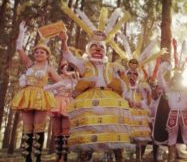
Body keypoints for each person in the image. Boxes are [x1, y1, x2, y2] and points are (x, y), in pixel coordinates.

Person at [59, 30, 131, 162]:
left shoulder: (113, 66)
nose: (98, 49)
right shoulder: (83, 64)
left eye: (102, 47)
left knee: (114, 127)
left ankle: (118, 156)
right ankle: (85, 157)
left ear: (105, 52)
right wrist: (64, 41)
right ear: (88, 50)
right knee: (88, 128)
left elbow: (125, 81)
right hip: (89, 99)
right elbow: (68, 56)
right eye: (94, 47)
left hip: (110, 100)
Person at [12, 21, 61, 162]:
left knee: (39, 127)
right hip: (27, 97)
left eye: (42, 52)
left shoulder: (49, 68)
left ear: (47, 55)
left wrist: (49, 89)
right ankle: (27, 158)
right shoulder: (29, 64)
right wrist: (21, 31)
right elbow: (19, 48)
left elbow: (61, 82)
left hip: (41, 98)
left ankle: (38, 157)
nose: (39, 53)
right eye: (37, 52)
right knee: (27, 128)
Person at [157, 64, 187, 162]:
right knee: (172, 136)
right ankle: (171, 157)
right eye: (175, 80)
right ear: (172, 81)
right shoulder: (168, 91)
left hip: (185, 115)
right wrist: (161, 72)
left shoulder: (186, 91)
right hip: (173, 114)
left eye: (179, 80)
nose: (177, 82)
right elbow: (161, 82)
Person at [47, 60, 78, 162]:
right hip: (56, 103)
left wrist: (73, 77)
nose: (66, 68)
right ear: (60, 68)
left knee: (66, 129)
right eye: (64, 66)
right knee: (56, 130)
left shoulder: (74, 79)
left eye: (68, 67)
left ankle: (64, 156)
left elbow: (77, 89)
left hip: (68, 103)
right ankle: (58, 154)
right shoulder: (57, 78)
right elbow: (50, 88)